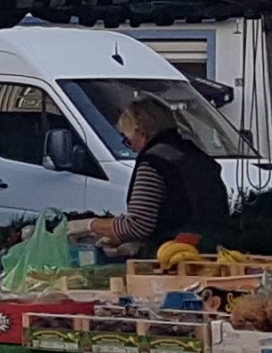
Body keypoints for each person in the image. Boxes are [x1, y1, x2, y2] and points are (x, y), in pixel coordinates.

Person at [99, 96, 232, 258]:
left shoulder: (154, 162)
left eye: (129, 140)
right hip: (215, 247)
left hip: (176, 254)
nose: (132, 148)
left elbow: (137, 226)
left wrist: (89, 225)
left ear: (141, 132)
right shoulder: (192, 154)